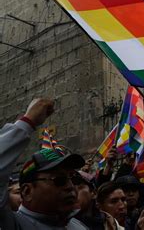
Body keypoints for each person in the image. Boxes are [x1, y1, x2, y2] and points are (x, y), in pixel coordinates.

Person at [0, 98, 88, 229]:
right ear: (27, 191)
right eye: (59, 180)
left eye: (73, 178)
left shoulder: (78, 226)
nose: (70, 187)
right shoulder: (12, 224)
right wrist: (27, 122)